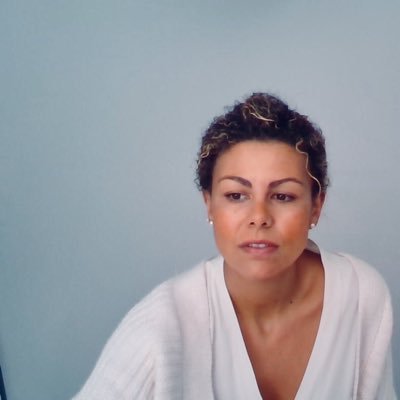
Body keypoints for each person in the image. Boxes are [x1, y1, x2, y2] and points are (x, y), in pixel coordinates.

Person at [72, 93, 396, 399]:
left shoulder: (361, 295)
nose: (259, 217)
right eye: (236, 195)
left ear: (316, 207)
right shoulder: (162, 325)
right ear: (209, 205)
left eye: (283, 196)